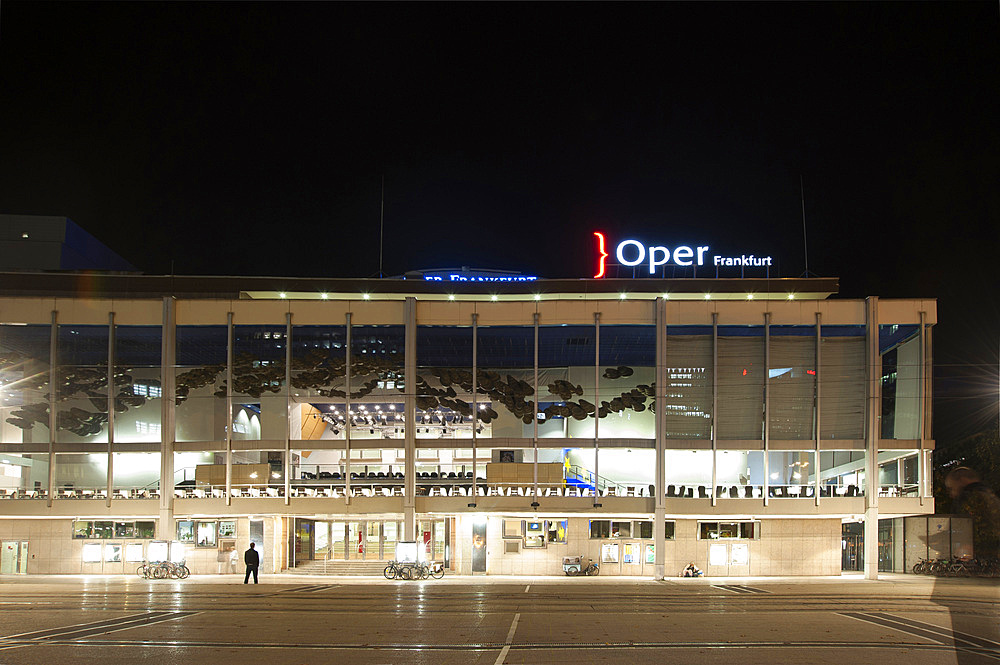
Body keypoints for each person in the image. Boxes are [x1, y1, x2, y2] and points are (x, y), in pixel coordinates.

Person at [945, 466, 1000, 560]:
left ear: (962, 480)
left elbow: (957, 529)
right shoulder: (991, 495)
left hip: (979, 555)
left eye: (951, 488)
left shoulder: (966, 498)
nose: (951, 494)